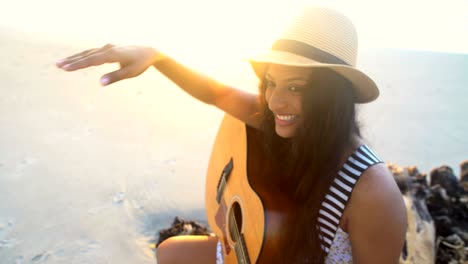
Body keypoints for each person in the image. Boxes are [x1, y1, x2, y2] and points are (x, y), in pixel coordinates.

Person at [56, 7, 407, 264]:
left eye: (296, 87)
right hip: (253, 254)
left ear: (333, 96)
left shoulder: (373, 193)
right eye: (271, 83)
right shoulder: (282, 121)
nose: (274, 101)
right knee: (169, 253)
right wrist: (157, 58)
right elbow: (216, 94)